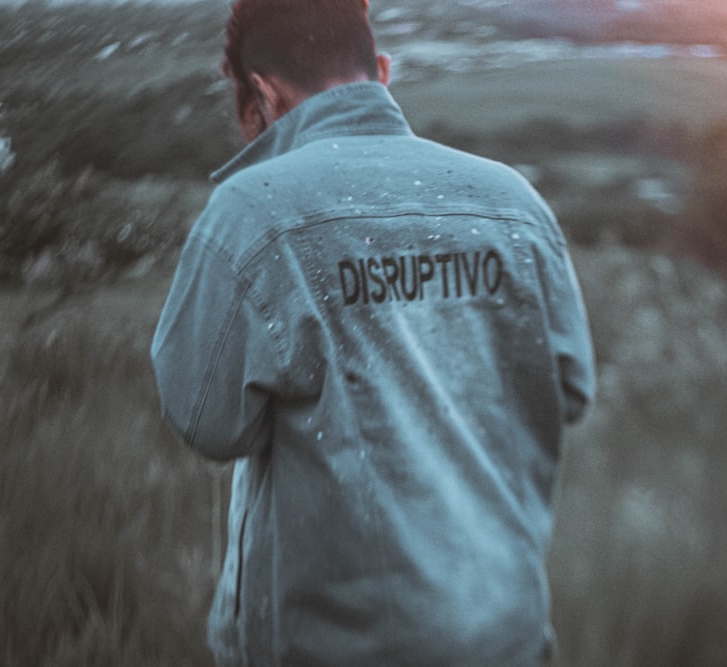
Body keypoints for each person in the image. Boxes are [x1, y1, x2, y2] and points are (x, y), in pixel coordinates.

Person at [150, 0, 596, 665]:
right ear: (382, 71)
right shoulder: (516, 204)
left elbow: (206, 420)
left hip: (334, 646)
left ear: (261, 98)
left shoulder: (252, 212)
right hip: (506, 635)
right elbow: (571, 390)